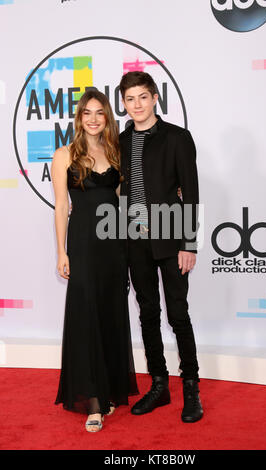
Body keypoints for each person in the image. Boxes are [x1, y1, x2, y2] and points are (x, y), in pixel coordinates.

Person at [51, 89, 138, 433]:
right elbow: (61, 206)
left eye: (99, 113)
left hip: (113, 245)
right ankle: (93, 401)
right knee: (86, 316)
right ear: (78, 117)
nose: (93, 118)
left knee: (111, 312)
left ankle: (111, 388)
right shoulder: (65, 154)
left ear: (107, 118)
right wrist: (61, 251)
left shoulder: (115, 151)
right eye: (87, 112)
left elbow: (122, 199)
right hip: (84, 245)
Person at [119, 71, 203, 423]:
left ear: (155, 97)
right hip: (134, 241)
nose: (136, 105)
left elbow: (191, 192)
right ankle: (159, 385)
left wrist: (189, 244)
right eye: (129, 99)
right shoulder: (121, 141)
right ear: (123, 104)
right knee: (147, 314)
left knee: (178, 315)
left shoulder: (177, 138)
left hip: (171, 240)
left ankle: (190, 388)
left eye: (142, 96)